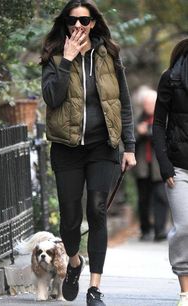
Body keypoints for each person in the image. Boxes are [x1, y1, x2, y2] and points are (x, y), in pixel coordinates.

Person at [41, 1, 136, 305]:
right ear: (66, 23)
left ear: (94, 22)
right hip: (66, 149)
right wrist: (67, 60)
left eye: (85, 19)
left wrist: (129, 146)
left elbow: (122, 102)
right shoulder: (54, 56)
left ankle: (94, 288)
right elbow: (52, 97)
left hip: (102, 147)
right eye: (73, 20)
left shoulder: (109, 55)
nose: (78, 25)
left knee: (97, 210)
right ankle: (74, 262)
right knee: (70, 218)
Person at [153, 38, 188, 306]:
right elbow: (158, 123)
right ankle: (185, 292)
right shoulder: (171, 78)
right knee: (184, 227)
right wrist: (163, 163)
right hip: (178, 167)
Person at [134, 87, 169, 241]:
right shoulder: (138, 118)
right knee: (143, 200)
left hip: (158, 167)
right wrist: (139, 132)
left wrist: (147, 131)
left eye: (150, 103)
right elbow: (131, 138)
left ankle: (160, 230)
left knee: (161, 198)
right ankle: (145, 229)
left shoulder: (163, 118)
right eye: (145, 104)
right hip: (142, 167)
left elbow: (163, 136)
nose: (147, 106)